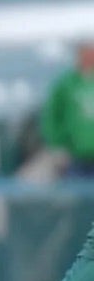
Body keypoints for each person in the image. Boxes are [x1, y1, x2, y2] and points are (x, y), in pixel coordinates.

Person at [40, 40, 94, 178]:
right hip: (75, 156)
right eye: (85, 54)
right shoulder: (66, 84)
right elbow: (52, 115)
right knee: (77, 194)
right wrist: (56, 143)